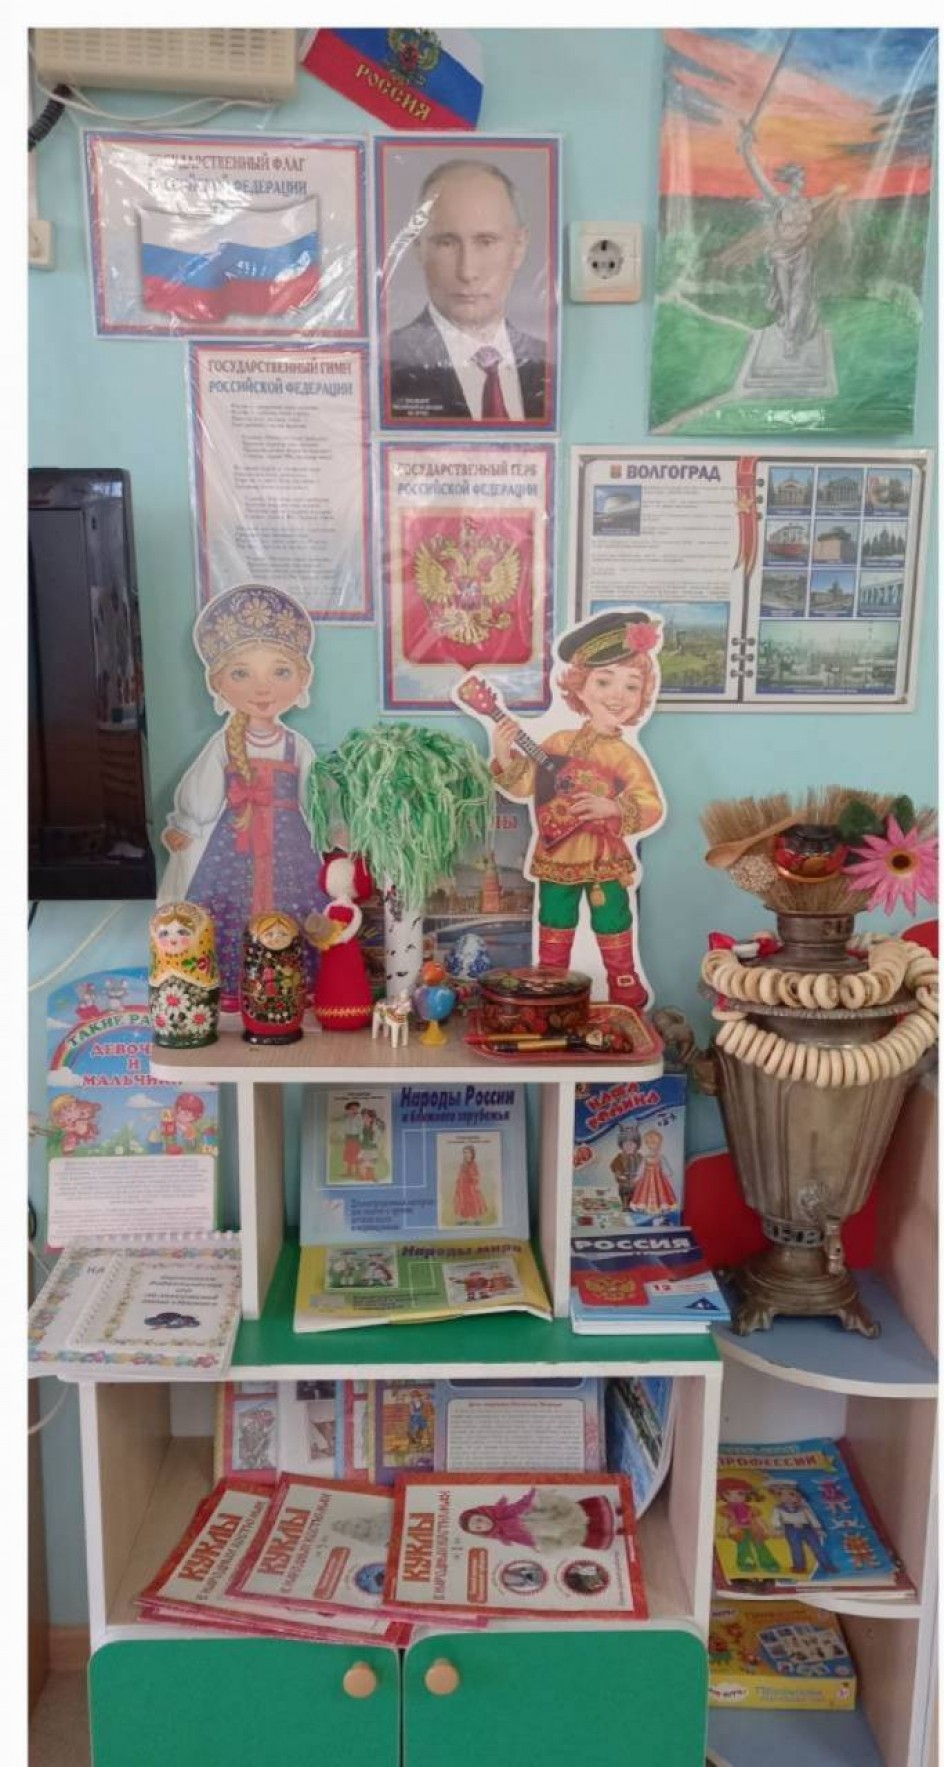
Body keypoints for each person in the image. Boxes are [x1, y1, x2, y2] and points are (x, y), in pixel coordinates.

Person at [486, 610, 665, 1007]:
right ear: (579, 686)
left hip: (604, 857)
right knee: (554, 916)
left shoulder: (625, 756)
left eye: (631, 686)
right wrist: (504, 752)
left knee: (613, 916)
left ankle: (623, 984)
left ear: (643, 695)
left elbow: (649, 804)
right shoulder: (558, 743)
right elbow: (527, 785)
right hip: (557, 854)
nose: (617, 695)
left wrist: (612, 807)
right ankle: (552, 985)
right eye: (604, 681)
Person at [158, 584, 325, 1008]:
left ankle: (294, 989)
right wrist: (186, 825)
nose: (262, 688)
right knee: (227, 907)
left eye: (279, 673)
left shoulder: (297, 746)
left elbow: (318, 799)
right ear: (218, 683)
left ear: (302, 679)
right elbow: (202, 793)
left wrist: (334, 828)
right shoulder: (224, 743)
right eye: (242, 674)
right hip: (233, 845)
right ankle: (235, 989)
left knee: (296, 907)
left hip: (289, 846)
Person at [387, 158, 549, 424]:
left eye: (486, 242)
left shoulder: (550, 363)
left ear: (519, 246)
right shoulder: (383, 364)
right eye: (446, 243)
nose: (467, 271)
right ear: (418, 247)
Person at [739, 126, 819, 358]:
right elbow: (758, 176)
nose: (803, 180)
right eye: (800, 177)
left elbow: (822, 204)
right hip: (781, 256)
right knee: (785, 300)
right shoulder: (779, 201)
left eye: (803, 177)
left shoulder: (806, 203)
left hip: (801, 254)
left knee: (799, 298)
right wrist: (747, 150)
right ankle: (789, 330)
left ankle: (791, 341)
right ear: (792, 180)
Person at [453, 1143, 489, 1223]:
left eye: (468, 1153)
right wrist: (458, 1183)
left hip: (470, 1186)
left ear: (472, 1154)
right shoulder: (463, 1164)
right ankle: (464, 1218)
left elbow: (475, 1176)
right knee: (463, 1201)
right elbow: (460, 1174)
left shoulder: (473, 1164)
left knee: (473, 1201)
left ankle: (476, 1219)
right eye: (465, 1153)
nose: (466, 1154)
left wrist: (474, 1180)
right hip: (462, 1186)